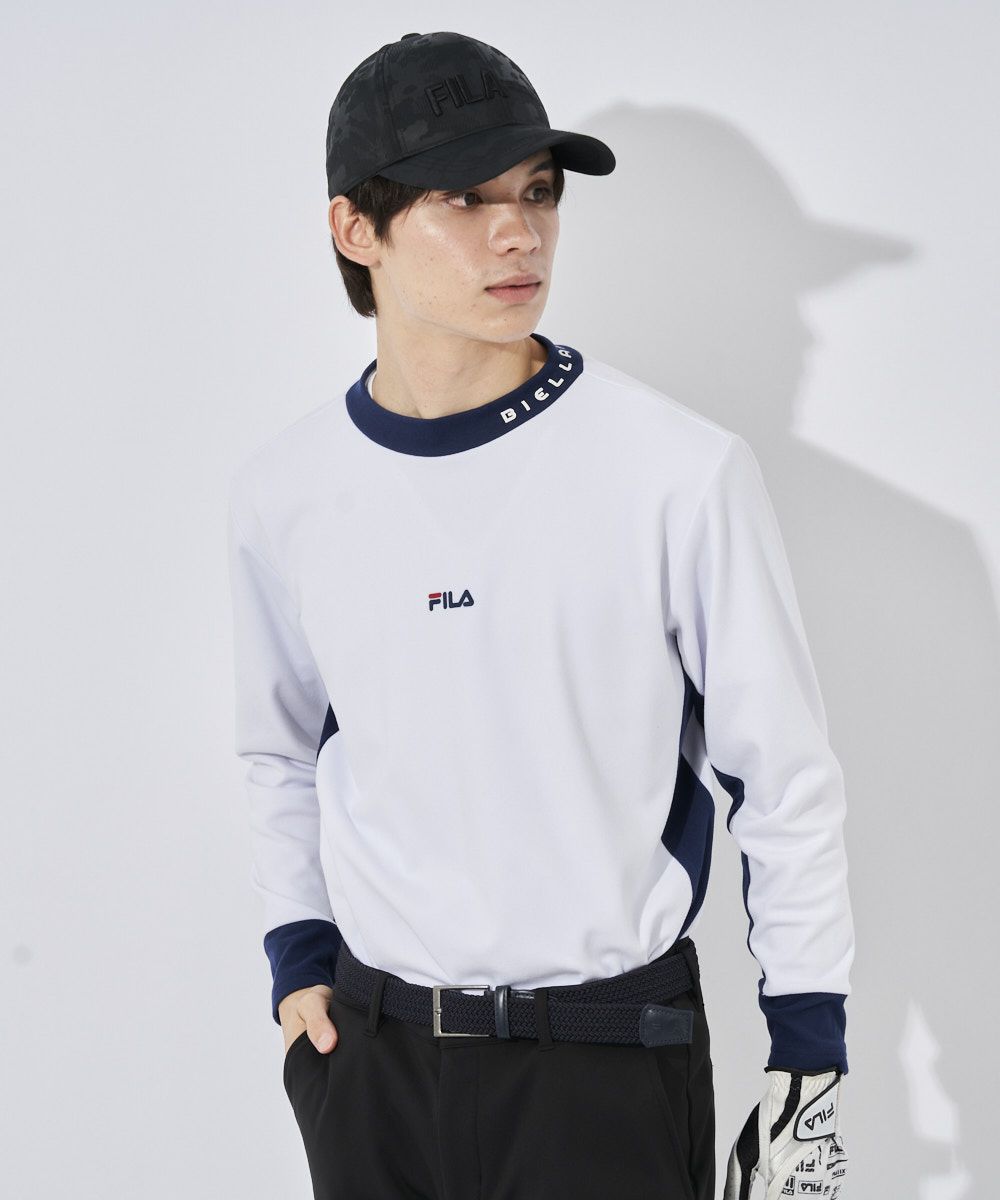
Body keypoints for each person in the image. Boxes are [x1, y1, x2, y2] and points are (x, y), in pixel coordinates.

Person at [226, 30, 854, 1200]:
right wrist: (298, 958)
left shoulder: (676, 472)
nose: (518, 232)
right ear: (355, 229)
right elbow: (281, 746)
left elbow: (782, 777)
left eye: (539, 192)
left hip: (603, 1065)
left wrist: (807, 1056)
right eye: (465, 198)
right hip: (373, 1065)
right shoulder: (287, 490)